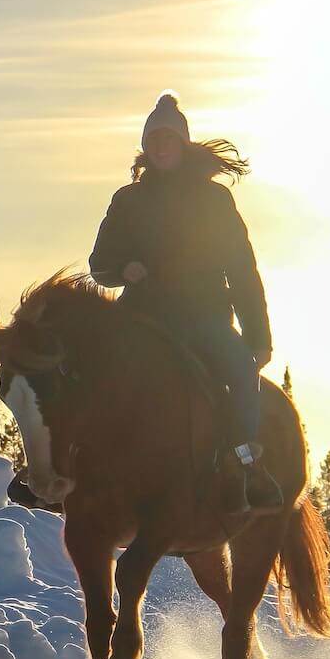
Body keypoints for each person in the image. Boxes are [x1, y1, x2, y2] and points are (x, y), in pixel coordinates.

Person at [87, 91, 281, 512]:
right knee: (82, 368)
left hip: (204, 319)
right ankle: (63, 467)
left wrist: (257, 337)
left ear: (182, 144)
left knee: (239, 371)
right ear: (146, 147)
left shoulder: (215, 200)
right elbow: (99, 264)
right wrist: (124, 271)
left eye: (168, 139)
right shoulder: (128, 200)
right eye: (153, 140)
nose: (161, 147)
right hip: (141, 319)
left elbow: (242, 269)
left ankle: (248, 466)